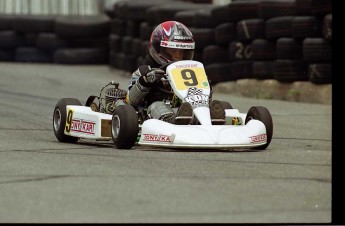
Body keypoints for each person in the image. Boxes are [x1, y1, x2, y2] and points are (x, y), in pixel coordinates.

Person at [127, 20, 226, 125]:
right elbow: (131, 100)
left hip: (185, 109)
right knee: (157, 105)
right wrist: (145, 81)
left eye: (182, 52)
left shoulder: (192, 72)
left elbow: (204, 98)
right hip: (151, 114)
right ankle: (172, 120)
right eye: (173, 51)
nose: (178, 56)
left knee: (213, 106)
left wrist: (207, 89)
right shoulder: (144, 71)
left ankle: (206, 121)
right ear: (158, 49)